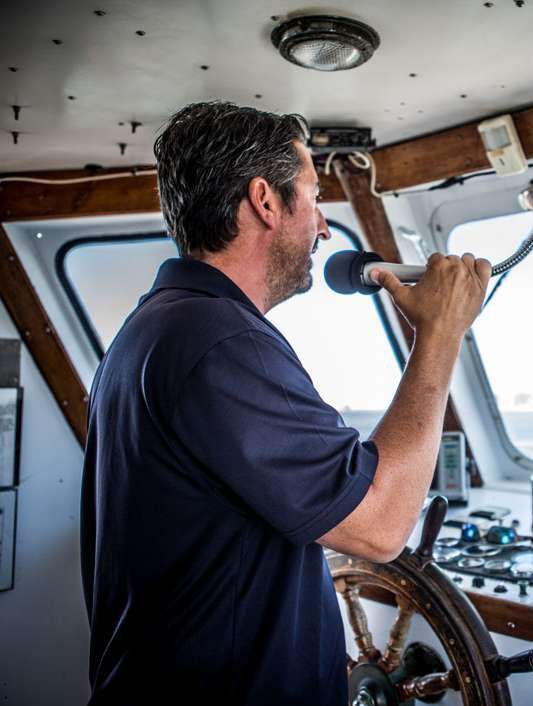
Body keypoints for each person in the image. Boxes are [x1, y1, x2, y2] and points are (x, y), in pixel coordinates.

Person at [80, 101, 491, 705]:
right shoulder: (221, 343)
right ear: (265, 201)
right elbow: (380, 530)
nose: (324, 226)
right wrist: (440, 336)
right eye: (314, 195)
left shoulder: (151, 329)